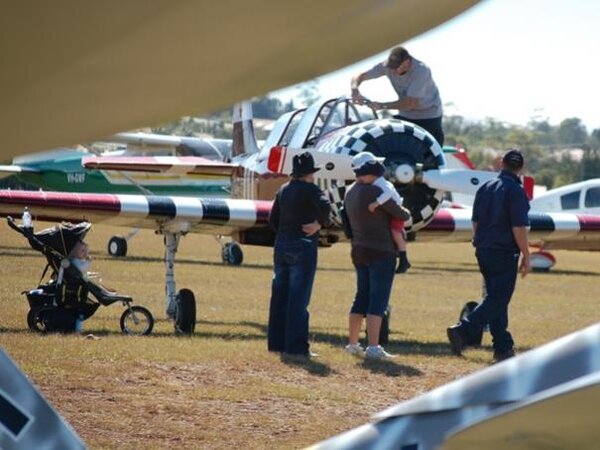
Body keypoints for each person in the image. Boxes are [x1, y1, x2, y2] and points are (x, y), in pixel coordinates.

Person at [447, 149, 531, 362]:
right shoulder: (516, 191)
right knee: (498, 298)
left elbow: (475, 221)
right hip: (504, 251)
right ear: (521, 168)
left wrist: (479, 241)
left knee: (495, 298)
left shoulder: (485, 187)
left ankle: (503, 347)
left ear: (502, 163)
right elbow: (519, 227)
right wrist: (526, 254)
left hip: (484, 249)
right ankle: (463, 329)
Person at [343, 152, 412, 359]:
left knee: (360, 297)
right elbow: (403, 214)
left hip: (358, 248)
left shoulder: (349, 192)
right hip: (381, 251)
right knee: (378, 300)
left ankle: (353, 344)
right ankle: (373, 347)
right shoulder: (376, 191)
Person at [267, 152, 331, 357]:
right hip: (303, 245)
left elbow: (272, 219)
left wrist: (285, 233)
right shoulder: (312, 190)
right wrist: (319, 224)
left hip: (282, 244)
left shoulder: (283, 189)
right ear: (309, 173)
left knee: (279, 296)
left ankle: (277, 343)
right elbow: (326, 206)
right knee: (298, 299)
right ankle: (296, 347)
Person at [351, 46, 444, 146]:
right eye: (391, 66)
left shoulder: (421, 71)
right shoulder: (387, 66)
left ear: (407, 63)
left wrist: (382, 105)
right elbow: (360, 76)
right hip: (406, 115)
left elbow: (411, 103)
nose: (392, 70)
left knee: (429, 150)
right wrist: (355, 89)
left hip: (428, 117)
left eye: (396, 67)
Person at [367, 165, 411, 274]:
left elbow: (388, 193)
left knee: (395, 232)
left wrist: (376, 203)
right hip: (392, 211)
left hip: (396, 211)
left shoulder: (382, 183)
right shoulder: (378, 182)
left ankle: (403, 259)